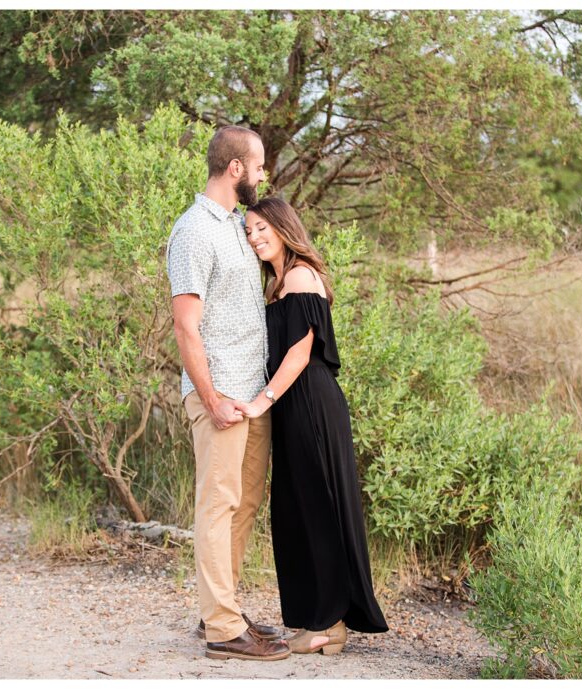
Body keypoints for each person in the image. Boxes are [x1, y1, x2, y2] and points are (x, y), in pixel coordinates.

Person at [235, 197, 389, 655]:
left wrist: (260, 402)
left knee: (318, 506)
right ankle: (316, 617)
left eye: (262, 227)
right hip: (293, 404)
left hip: (310, 401)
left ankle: (329, 623)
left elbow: (300, 354)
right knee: (298, 507)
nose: (255, 237)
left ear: (283, 227)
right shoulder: (278, 283)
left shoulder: (301, 275)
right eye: (248, 231)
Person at [166, 126, 290, 662]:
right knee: (218, 505)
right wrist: (212, 398)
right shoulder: (194, 231)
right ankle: (222, 629)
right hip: (220, 397)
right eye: (259, 165)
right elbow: (185, 326)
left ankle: (222, 612)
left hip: (253, 393)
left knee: (243, 504)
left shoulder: (240, 227)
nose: (264, 175)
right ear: (236, 168)